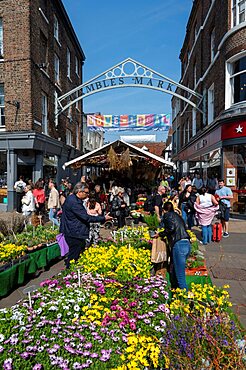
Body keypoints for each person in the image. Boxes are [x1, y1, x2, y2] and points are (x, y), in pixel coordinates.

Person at [60, 182, 112, 268]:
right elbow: (86, 218)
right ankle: (69, 272)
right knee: (74, 255)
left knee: (76, 252)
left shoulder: (72, 198)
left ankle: (73, 271)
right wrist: (103, 218)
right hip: (74, 232)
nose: (88, 195)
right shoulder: (74, 202)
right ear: (79, 192)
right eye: (86, 193)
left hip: (72, 230)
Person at [158, 201, 191, 291]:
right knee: (175, 270)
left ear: (164, 210)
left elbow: (171, 228)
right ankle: (176, 292)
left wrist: (160, 234)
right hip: (186, 243)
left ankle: (185, 299)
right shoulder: (178, 216)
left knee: (180, 277)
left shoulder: (167, 215)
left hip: (179, 245)